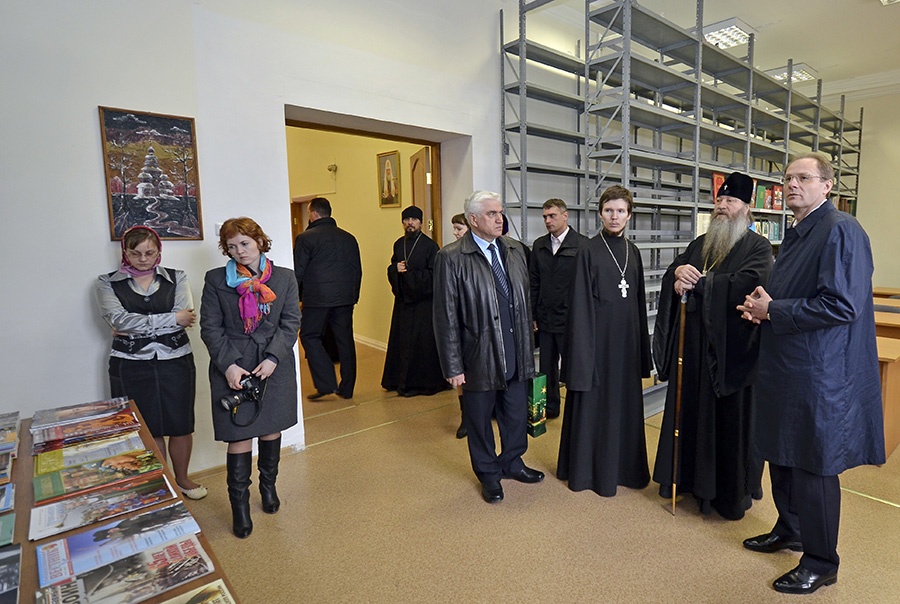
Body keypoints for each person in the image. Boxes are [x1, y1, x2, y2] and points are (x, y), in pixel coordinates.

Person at [737, 153, 884, 594]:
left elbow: (842, 305)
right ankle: (791, 529)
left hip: (819, 372)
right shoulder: (799, 230)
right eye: (788, 178)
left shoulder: (841, 229)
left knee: (813, 465)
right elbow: (798, 293)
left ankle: (822, 561)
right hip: (788, 365)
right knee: (782, 453)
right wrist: (764, 304)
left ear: (827, 185)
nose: (792, 185)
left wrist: (775, 310)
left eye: (804, 177)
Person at [651, 172, 774, 520]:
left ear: (746, 208)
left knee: (727, 422)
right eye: (719, 200)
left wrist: (703, 284)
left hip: (730, 353)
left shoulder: (758, 247)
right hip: (692, 351)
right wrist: (678, 277)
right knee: (689, 412)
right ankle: (687, 480)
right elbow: (677, 270)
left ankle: (725, 494)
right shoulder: (701, 243)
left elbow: (749, 284)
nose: (722, 206)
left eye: (730, 201)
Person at [433, 191, 544, 504]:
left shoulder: (515, 250)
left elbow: (524, 298)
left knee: (515, 414)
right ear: (473, 219)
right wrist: (453, 365)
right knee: (480, 421)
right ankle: (488, 473)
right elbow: (445, 316)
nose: (499, 219)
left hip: (516, 350)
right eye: (492, 213)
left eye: (500, 212)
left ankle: (512, 462)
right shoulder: (451, 257)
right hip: (478, 355)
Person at [200, 217, 301, 538]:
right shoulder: (216, 280)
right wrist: (228, 366)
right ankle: (240, 507)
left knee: (271, 429)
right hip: (233, 365)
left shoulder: (284, 278)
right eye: (231, 247)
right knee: (239, 436)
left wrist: (273, 358)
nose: (239, 251)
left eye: (244, 243)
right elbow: (210, 327)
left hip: (273, 365)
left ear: (259, 241)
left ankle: (268, 488)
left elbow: (291, 322)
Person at [95, 226, 206, 500]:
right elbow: (119, 320)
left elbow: (185, 318)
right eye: (135, 253)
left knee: (181, 423)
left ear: (159, 251)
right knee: (146, 425)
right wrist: (171, 318)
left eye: (149, 253)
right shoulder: (106, 282)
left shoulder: (177, 277)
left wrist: (137, 324)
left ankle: (182, 479)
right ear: (125, 252)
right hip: (130, 364)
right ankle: (161, 482)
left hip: (176, 361)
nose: (143, 259)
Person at [557, 185, 651, 496]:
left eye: (621, 211)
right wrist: (583, 354)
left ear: (629, 215)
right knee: (596, 405)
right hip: (596, 344)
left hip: (625, 345)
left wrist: (641, 352)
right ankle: (590, 473)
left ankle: (625, 469)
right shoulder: (588, 250)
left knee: (623, 405)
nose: (614, 216)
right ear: (600, 213)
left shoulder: (633, 252)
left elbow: (638, 304)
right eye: (609, 210)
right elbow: (579, 305)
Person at [293, 197, 362, 400]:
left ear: (314, 213)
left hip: (317, 298)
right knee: (345, 340)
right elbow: (357, 270)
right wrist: (354, 295)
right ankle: (347, 388)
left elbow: (298, 272)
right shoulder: (349, 238)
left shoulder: (306, 238)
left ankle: (326, 383)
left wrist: (294, 298)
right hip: (345, 298)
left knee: (309, 335)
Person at [381, 206, 449, 397]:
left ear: (420, 222)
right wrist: (395, 269)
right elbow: (392, 267)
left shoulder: (431, 246)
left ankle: (422, 384)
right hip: (403, 303)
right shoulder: (398, 244)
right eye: (406, 219)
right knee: (402, 342)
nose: (410, 223)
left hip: (423, 304)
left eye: (414, 219)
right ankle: (399, 381)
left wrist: (410, 275)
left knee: (422, 343)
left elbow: (434, 275)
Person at [530, 198, 588, 419]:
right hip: (545, 317)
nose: (548, 221)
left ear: (565, 216)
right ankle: (551, 407)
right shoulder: (539, 245)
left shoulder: (582, 245)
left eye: (552, 216)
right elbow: (534, 282)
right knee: (547, 367)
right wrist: (533, 314)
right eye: (545, 217)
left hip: (570, 318)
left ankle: (577, 410)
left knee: (573, 366)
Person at [449, 212, 470, 439]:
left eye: (459, 229)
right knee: (461, 374)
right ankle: (465, 415)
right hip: (461, 322)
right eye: (454, 229)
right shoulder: (450, 256)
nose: (455, 233)